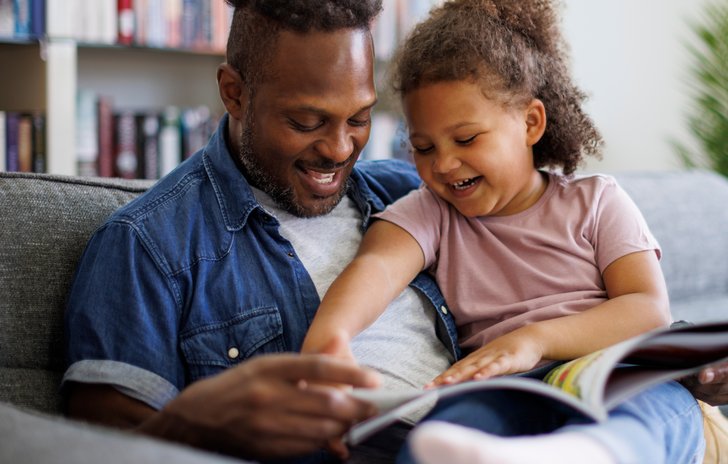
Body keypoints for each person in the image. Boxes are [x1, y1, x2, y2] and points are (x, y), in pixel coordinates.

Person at [60, 0, 727, 463]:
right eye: (306, 122)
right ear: (234, 93)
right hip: (439, 437)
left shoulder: (405, 187)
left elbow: (638, 308)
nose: (338, 150)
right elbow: (92, 444)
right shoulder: (150, 244)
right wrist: (211, 421)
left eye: (358, 119)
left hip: (578, 401)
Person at [301, 1, 711, 463]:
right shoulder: (432, 212)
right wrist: (329, 340)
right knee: (442, 433)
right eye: (423, 147)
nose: (444, 164)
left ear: (530, 123)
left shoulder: (597, 201)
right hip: (505, 388)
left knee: (656, 411)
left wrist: (532, 340)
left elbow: (646, 310)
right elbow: (376, 266)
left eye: (467, 138)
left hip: (611, 371)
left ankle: (594, 453)